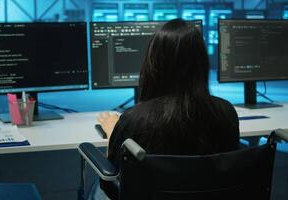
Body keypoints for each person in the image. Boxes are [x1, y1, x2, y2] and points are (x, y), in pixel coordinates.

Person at [92, 18, 240, 200]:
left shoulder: (134, 120)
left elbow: (112, 175)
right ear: (202, 63)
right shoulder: (226, 111)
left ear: (153, 63)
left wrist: (112, 131)